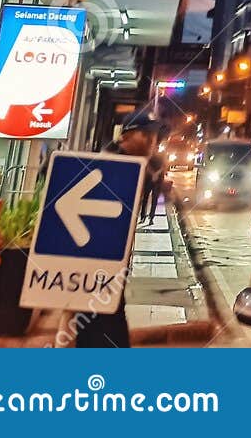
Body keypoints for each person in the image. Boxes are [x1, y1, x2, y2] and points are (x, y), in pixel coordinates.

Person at [74, 109, 158, 349]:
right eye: (147, 135)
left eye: (154, 136)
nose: (153, 142)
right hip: (95, 266)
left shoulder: (134, 166)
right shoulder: (113, 163)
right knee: (102, 332)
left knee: (106, 329)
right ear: (127, 136)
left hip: (110, 268)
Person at [139, 146, 166, 224]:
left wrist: (155, 174)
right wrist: (154, 174)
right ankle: (144, 216)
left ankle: (150, 217)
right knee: (146, 198)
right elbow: (147, 166)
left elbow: (163, 166)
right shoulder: (149, 156)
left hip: (156, 180)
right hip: (150, 179)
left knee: (153, 199)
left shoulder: (161, 156)